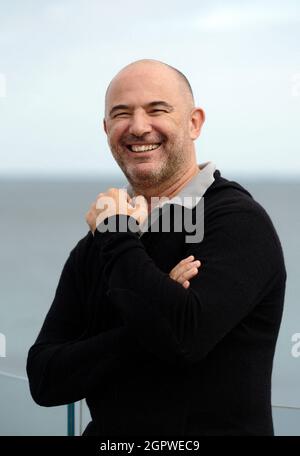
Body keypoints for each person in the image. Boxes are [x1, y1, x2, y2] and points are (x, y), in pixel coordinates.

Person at [26, 59, 286, 436]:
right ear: (106, 129)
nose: (138, 126)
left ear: (194, 123)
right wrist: (155, 305)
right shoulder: (99, 244)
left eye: (157, 109)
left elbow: (183, 338)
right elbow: (45, 378)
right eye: (121, 114)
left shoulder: (236, 221)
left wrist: (117, 237)